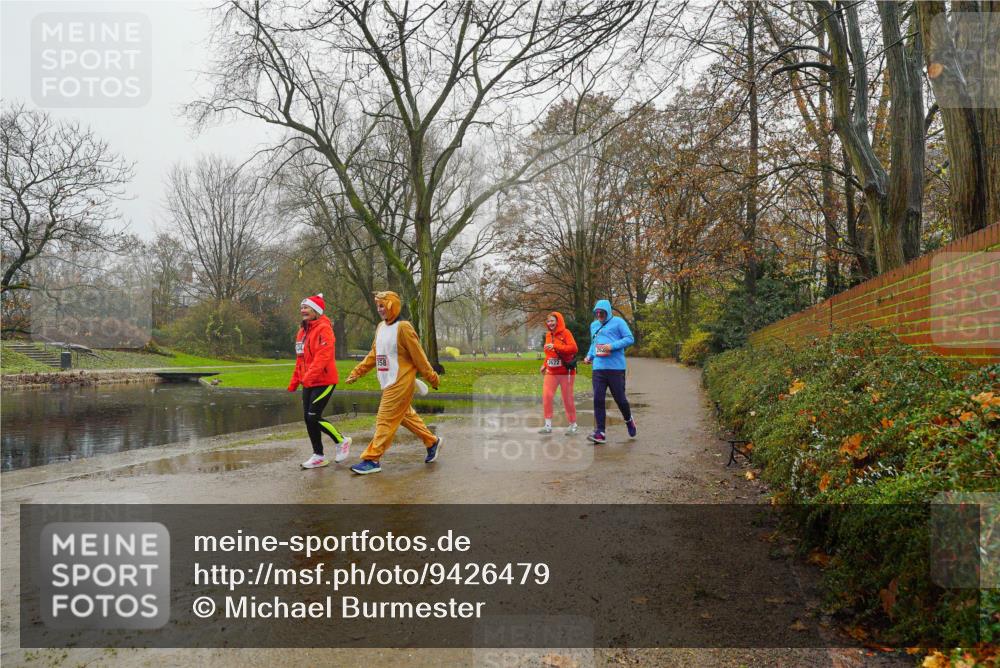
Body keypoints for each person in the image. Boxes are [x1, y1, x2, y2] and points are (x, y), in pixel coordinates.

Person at [344, 291, 441, 474]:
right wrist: (358, 371)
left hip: (400, 382)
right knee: (404, 416)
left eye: (383, 305)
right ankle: (432, 441)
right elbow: (374, 354)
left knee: (385, 419)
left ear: (392, 306)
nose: (380, 309)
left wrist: (432, 377)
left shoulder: (404, 327)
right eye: (378, 306)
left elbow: (419, 357)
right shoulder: (381, 327)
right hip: (388, 382)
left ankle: (372, 459)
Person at [287, 293, 352, 468]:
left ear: (316, 310)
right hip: (308, 382)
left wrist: (308, 377)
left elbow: (323, 357)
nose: (303, 310)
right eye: (302, 308)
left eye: (306, 307)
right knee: (308, 419)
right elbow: (300, 359)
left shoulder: (325, 328)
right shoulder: (301, 331)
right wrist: (295, 381)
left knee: (313, 416)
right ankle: (318, 455)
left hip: (324, 380)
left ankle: (341, 440)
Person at [582, 299, 636, 444]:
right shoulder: (593, 325)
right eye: (597, 313)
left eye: (602, 312)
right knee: (598, 399)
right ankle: (600, 432)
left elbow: (630, 339)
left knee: (620, 399)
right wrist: (589, 356)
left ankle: (628, 419)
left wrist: (611, 346)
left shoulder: (618, 322)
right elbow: (594, 344)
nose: (599, 315)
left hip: (616, 367)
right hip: (598, 368)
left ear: (608, 312)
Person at [538, 311, 579, 435]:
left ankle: (573, 425)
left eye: (552, 321)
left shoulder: (566, 333)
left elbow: (573, 348)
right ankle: (548, 425)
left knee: (567, 398)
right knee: (546, 396)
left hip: (566, 372)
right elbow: (549, 353)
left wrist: (556, 346)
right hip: (551, 372)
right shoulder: (548, 335)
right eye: (548, 321)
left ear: (558, 321)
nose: (550, 323)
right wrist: (544, 364)